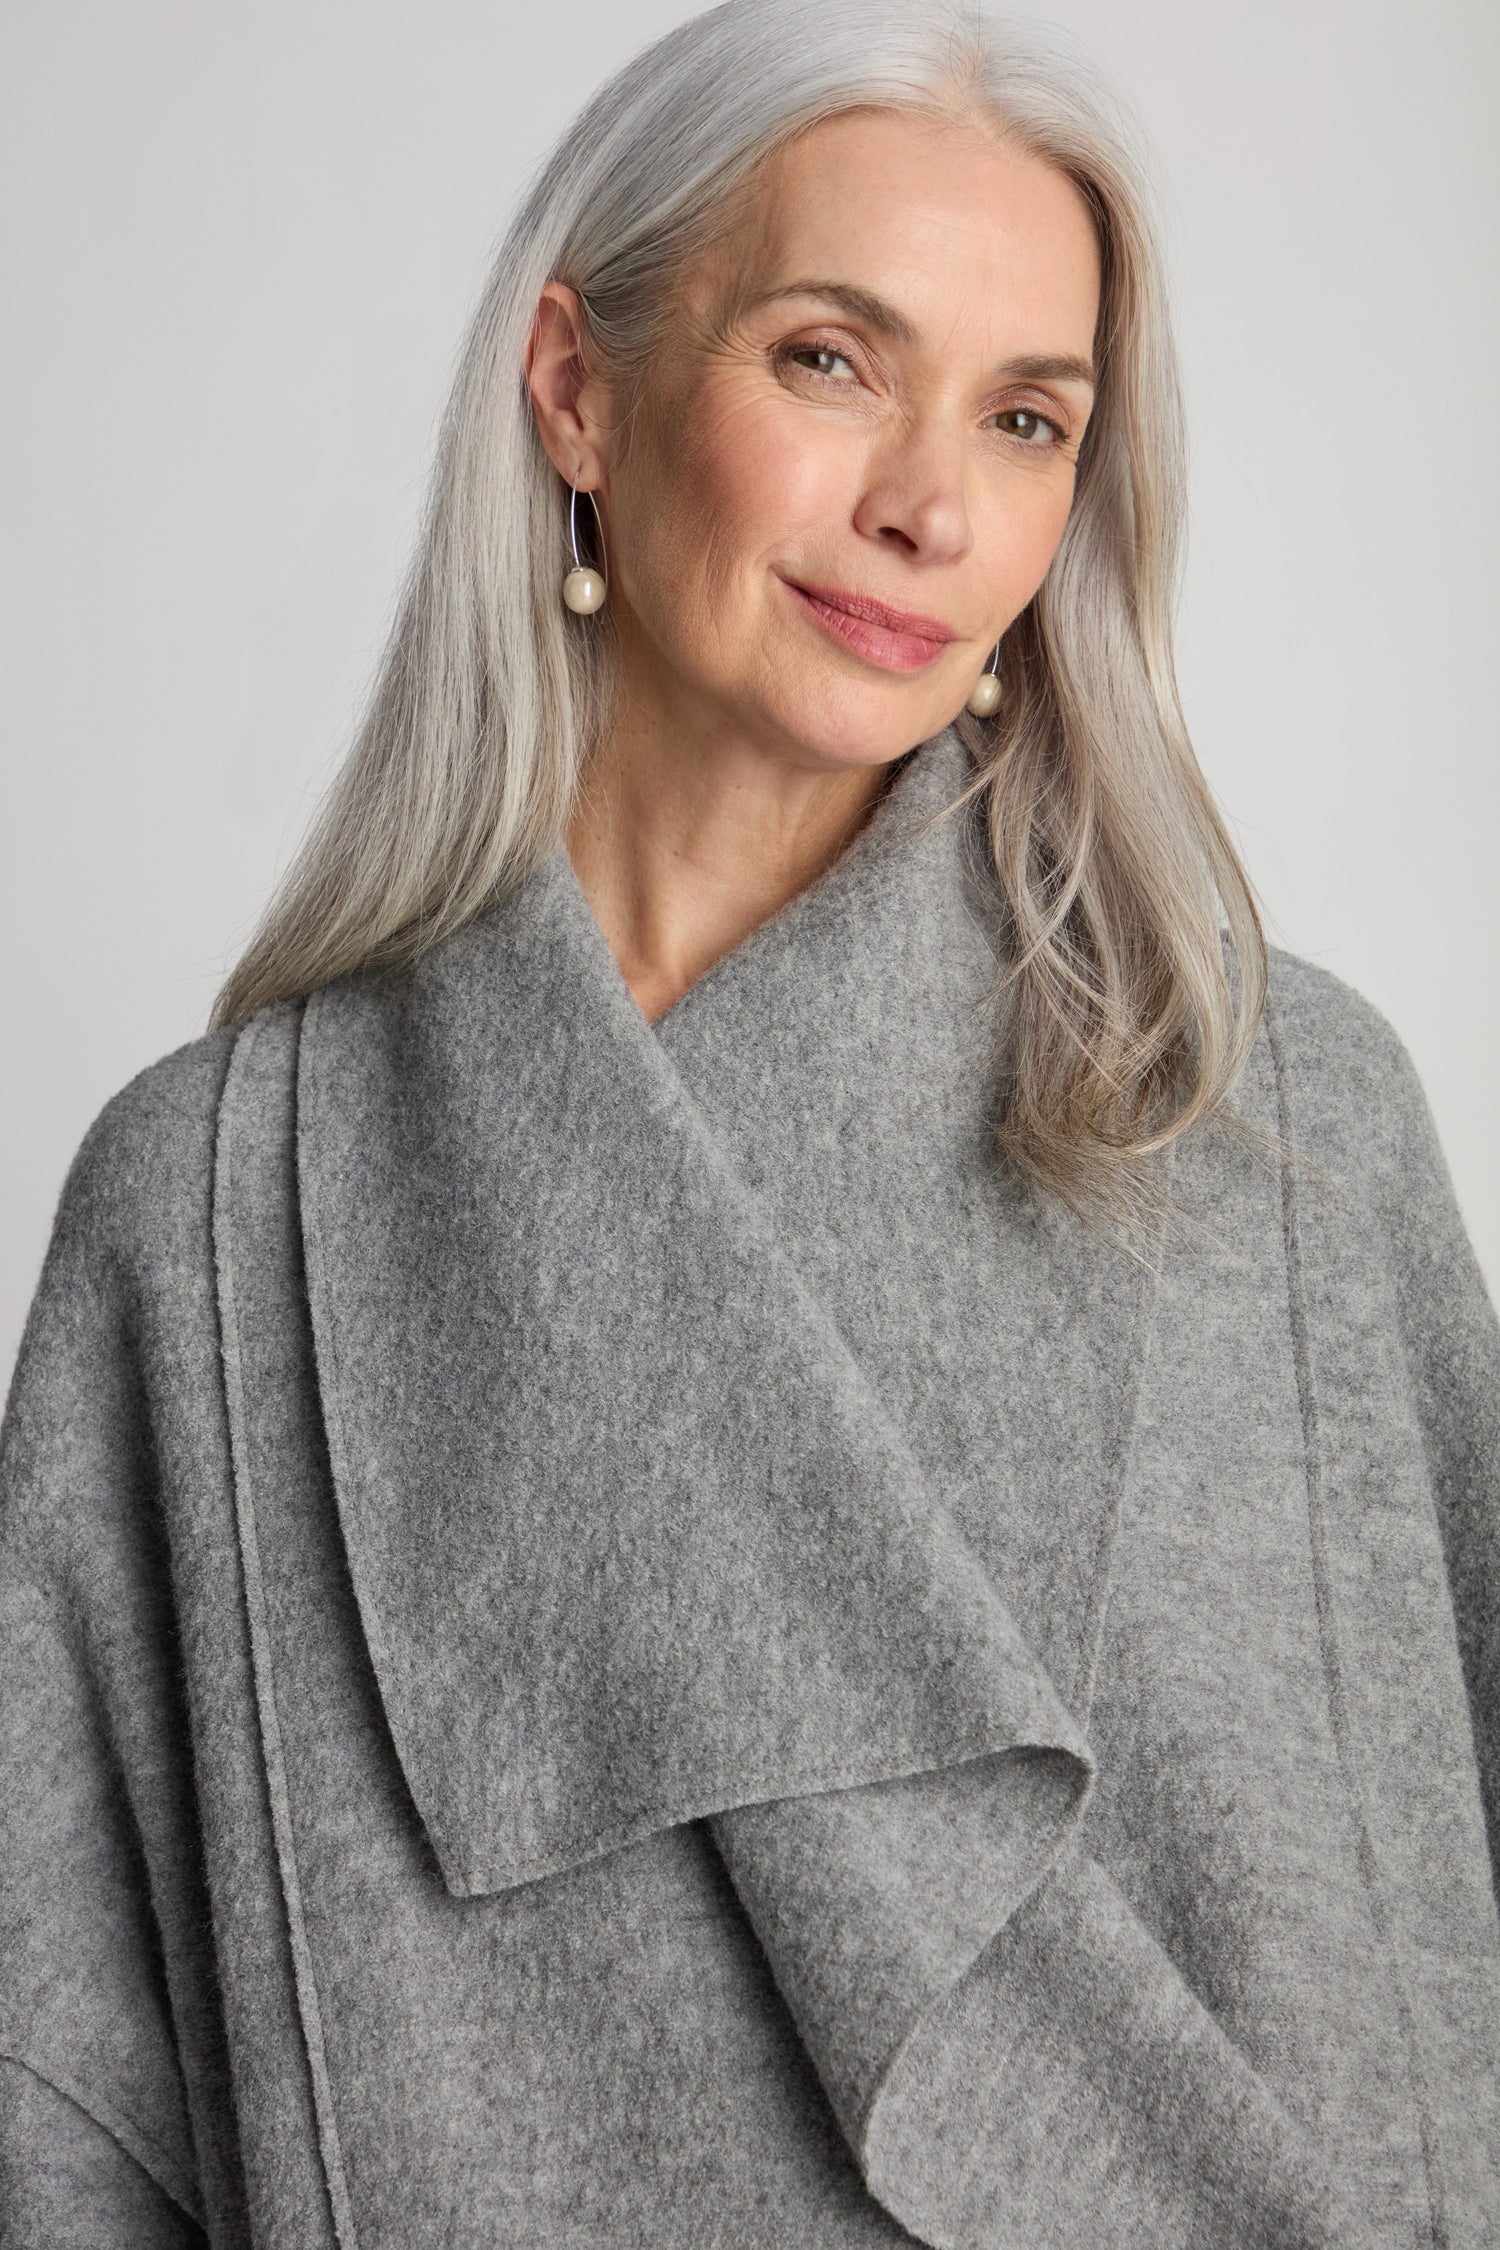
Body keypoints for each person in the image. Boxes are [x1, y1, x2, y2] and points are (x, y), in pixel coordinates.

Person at [2, 0, 1496, 2242]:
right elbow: (66, 2099)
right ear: (578, 384)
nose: (928, 501)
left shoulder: (1268, 1130)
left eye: (1024, 417)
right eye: (829, 357)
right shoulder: (217, 1213)